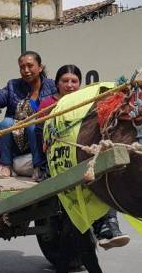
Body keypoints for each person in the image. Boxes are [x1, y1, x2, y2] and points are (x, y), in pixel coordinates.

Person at [41, 64, 130, 249]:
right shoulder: (48, 105)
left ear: (80, 84)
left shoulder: (87, 104)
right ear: (57, 84)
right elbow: (39, 134)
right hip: (57, 160)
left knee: (103, 176)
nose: (70, 85)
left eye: (74, 81)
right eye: (65, 81)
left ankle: (109, 225)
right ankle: (103, 228)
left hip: (82, 155)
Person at [0, 51, 57, 179]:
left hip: (41, 140)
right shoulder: (13, 86)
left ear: (40, 67)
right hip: (18, 142)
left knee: (33, 125)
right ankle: (6, 166)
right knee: (6, 123)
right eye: (22, 67)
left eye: (30, 66)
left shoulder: (52, 86)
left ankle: (38, 168)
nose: (26, 70)